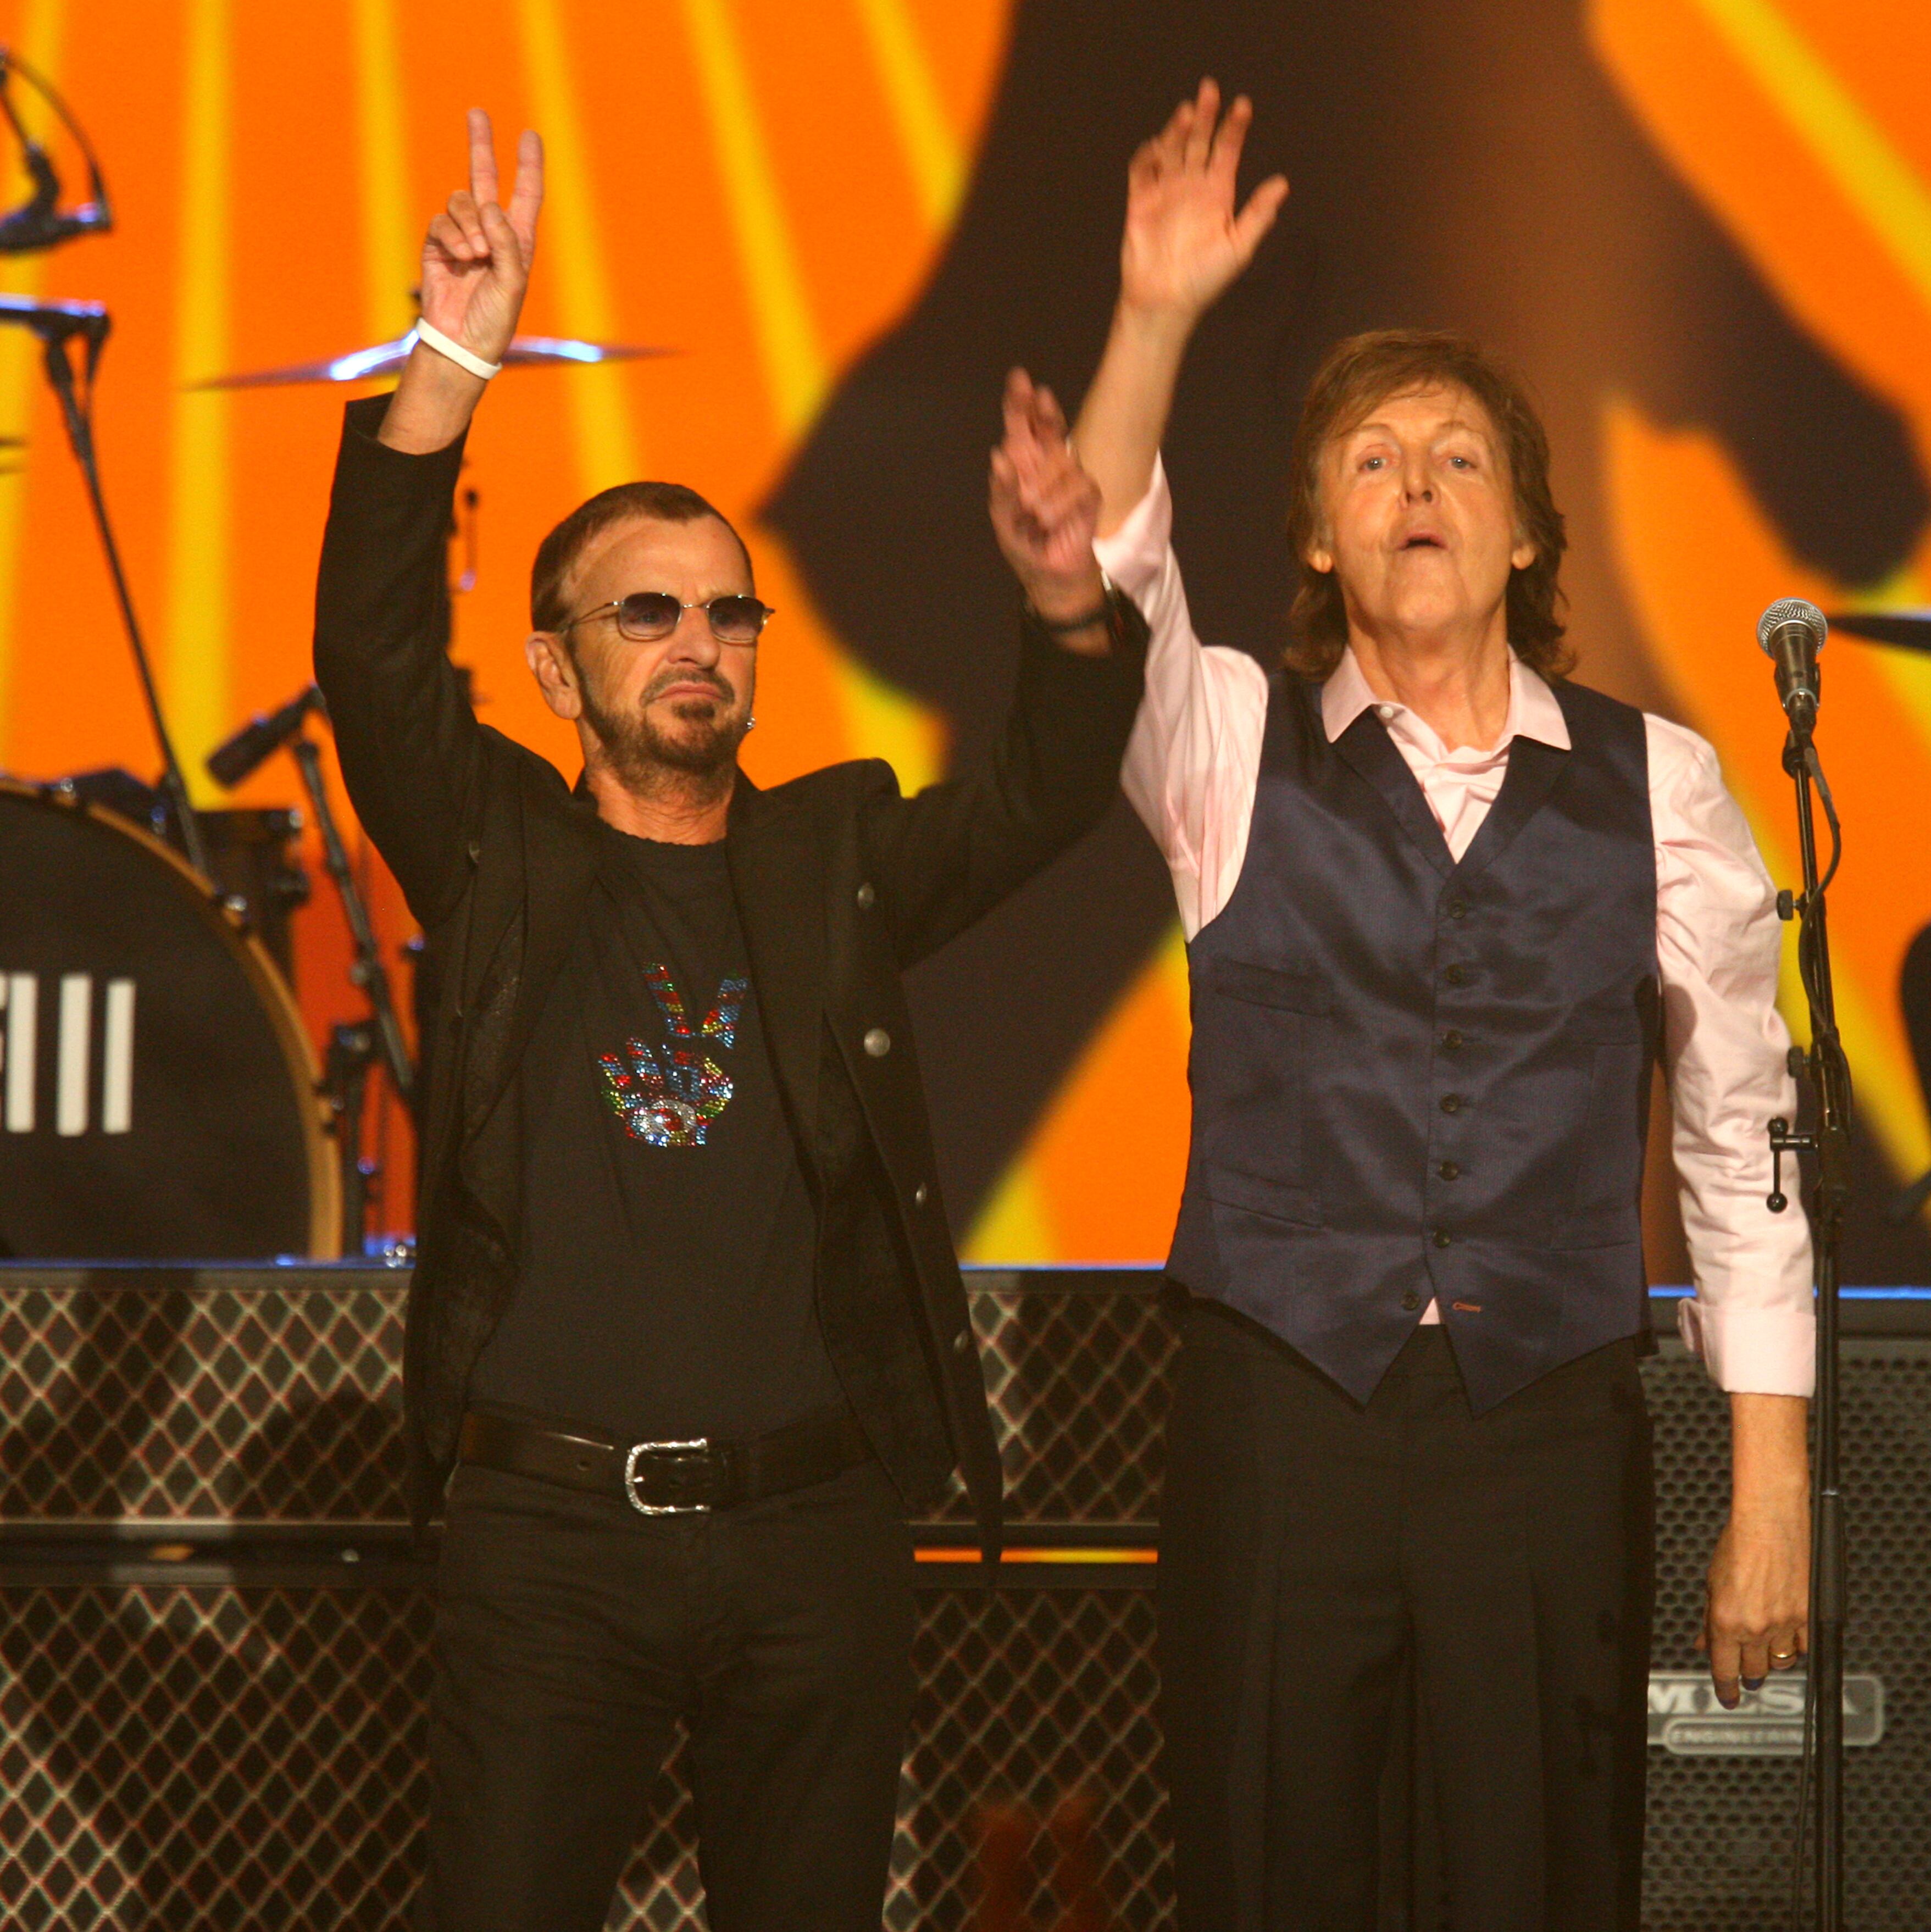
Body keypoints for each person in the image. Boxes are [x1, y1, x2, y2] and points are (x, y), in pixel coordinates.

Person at [313, 112, 1144, 1932]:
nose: (702, 641)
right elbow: (371, 658)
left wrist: (1068, 591)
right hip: (547, 1547)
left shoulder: (833, 848)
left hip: (812, 1543)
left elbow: (1045, 788)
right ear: (557, 668)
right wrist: (451, 359)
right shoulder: (500, 853)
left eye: (729, 612)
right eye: (649, 613)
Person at [1070, 85, 1815, 1929]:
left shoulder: (1665, 783)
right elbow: (1098, 571)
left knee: (1539, 1871)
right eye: (1375, 461)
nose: (1419, 488)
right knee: (1271, 1862)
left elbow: (1748, 1140)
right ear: (1319, 537)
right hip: (1286, 1411)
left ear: (1530, 536)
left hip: (1544, 1424)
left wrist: (1771, 1482)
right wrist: (1155, 318)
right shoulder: (1232, 746)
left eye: (1464, 459)